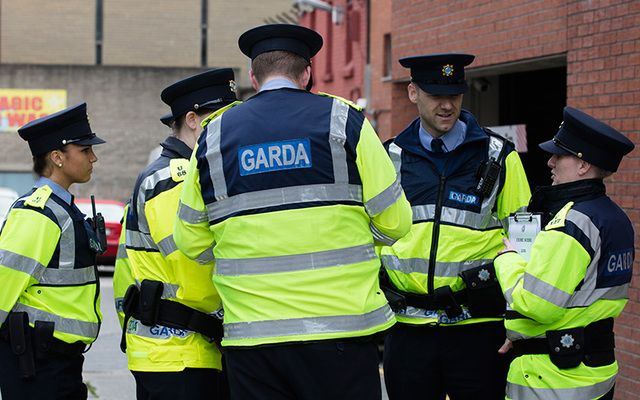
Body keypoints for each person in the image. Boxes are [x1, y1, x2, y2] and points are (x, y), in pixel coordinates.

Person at [174, 23, 412, 400]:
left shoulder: (214, 135)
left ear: (253, 76)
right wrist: (357, 239)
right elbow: (396, 223)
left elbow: (190, 241)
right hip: (340, 333)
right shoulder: (345, 121)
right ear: (307, 74)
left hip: (253, 338)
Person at [379, 53, 531, 400]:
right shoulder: (389, 157)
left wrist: (519, 321)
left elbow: (525, 242)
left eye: (455, 95)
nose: (447, 105)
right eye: (436, 96)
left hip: (477, 331)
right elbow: (370, 237)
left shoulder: (499, 157)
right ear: (413, 92)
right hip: (408, 328)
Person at [113, 68, 239, 399]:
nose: (230, 127)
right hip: (182, 350)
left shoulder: (179, 174)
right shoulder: (175, 179)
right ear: (193, 119)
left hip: (172, 350)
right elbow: (191, 263)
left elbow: (125, 270)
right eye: (221, 117)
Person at [494, 106, 635, 400]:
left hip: (552, 379)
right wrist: (521, 336)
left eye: (559, 155)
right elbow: (583, 298)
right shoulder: (615, 218)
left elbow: (536, 304)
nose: (550, 162)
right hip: (594, 370)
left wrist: (506, 260)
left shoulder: (571, 222)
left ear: (583, 165)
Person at [0, 103, 105, 399]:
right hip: (37, 365)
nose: (93, 157)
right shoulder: (39, 212)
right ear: (57, 157)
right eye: (84, 150)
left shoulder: (60, 209)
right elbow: (3, 285)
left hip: (56, 361)